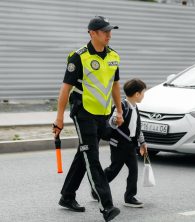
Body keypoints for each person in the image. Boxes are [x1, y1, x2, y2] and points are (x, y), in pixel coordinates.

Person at [52, 16, 124, 221]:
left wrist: (118, 111)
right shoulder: (78, 57)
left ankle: (67, 196)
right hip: (83, 112)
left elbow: (115, 85)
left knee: (83, 154)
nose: (109, 35)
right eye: (105, 31)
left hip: (104, 113)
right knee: (91, 157)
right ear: (92, 34)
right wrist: (59, 119)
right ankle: (106, 206)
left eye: (110, 31)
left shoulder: (114, 57)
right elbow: (65, 89)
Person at [103, 78, 148, 208]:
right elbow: (111, 122)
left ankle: (130, 197)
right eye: (143, 93)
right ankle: (99, 187)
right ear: (137, 94)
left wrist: (143, 143)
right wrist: (116, 119)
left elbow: (137, 128)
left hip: (130, 146)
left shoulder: (135, 107)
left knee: (134, 170)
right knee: (114, 169)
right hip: (119, 145)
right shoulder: (121, 106)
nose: (143, 95)